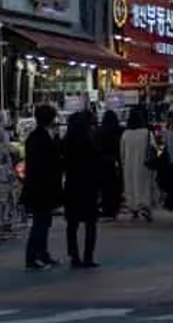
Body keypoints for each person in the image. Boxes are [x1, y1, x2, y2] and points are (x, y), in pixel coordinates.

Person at [22, 104, 63, 270]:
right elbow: (47, 163)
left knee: (43, 223)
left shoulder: (37, 137)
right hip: (41, 188)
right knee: (40, 224)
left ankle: (42, 254)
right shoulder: (40, 139)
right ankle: (34, 257)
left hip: (40, 187)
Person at [62, 111, 101, 269]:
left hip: (72, 185)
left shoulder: (67, 141)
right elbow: (97, 161)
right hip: (88, 185)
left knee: (72, 224)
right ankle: (88, 256)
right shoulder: (90, 140)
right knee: (90, 223)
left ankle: (74, 255)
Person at [120, 106, 156, 222]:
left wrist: (123, 163)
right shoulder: (147, 133)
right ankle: (144, 206)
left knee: (131, 184)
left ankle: (133, 207)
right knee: (144, 185)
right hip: (144, 164)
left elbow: (122, 152)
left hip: (129, 165)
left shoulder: (125, 134)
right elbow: (153, 148)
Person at [95, 110, 124, 219]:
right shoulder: (119, 131)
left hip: (102, 163)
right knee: (115, 186)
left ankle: (106, 207)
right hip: (115, 162)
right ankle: (114, 208)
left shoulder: (99, 131)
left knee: (104, 187)